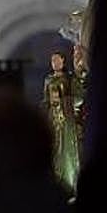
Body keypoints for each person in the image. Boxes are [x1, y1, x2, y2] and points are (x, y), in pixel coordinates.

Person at [42, 51, 81, 193]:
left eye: (57, 60)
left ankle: (70, 182)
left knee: (66, 149)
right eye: (53, 60)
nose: (55, 63)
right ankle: (56, 180)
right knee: (54, 148)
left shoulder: (69, 78)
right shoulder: (48, 80)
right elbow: (46, 100)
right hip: (53, 119)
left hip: (66, 119)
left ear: (63, 61)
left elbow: (78, 97)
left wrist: (65, 103)